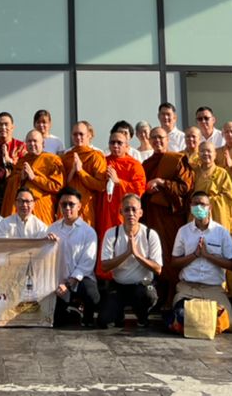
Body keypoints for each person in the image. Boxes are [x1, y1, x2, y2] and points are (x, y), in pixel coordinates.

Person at [169, 190, 232, 327]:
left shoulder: (221, 232)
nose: (199, 207)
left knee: (228, 324)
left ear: (210, 208)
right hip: (188, 288)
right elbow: (174, 262)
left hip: (213, 289)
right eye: (195, 204)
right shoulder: (183, 231)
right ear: (190, 207)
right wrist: (194, 255)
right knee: (181, 320)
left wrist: (207, 256)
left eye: (203, 204)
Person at [97, 194, 162, 328]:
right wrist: (127, 253)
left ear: (141, 212)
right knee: (104, 320)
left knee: (148, 295)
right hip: (119, 284)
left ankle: (142, 315)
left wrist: (137, 255)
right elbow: (104, 266)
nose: (130, 213)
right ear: (121, 212)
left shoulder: (150, 234)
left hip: (141, 286)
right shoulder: (112, 233)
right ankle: (118, 315)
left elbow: (158, 268)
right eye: (126, 210)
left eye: (134, 209)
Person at [140, 127, 191, 277]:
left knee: (172, 250)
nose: (157, 141)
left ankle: (175, 288)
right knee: (155, 250)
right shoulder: (146, 164)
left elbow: (185, 187)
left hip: (171, 215)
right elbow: (140, 187)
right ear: (149, 141)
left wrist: (162, 182)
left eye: (161, 137)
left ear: (168, 140)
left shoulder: (176, 160)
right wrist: (147, 190)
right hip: (153, 215)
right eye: (154, 138)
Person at [95, 129, 147, 272]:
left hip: (124, 212)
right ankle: (105, 275)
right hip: (105, 211)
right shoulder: (103, 162)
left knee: (123, 241)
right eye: (112, 142)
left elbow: (139, 189)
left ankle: (124, 273)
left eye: (119, 143)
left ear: (127, 146)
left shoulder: (134, 165)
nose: (116, 146)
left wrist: (119, 182)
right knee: (106, 240)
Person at [47, 187, 99, 326]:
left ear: (79, 206)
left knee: (92, 296)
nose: (67, 207)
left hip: (80, 280)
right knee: (58, 319)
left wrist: (69, 283)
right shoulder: (52, 229)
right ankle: (73, 310)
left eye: (71, 204)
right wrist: (47, 243)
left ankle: (87, 315)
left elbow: (87, 263)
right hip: (58, 280)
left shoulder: (88, 232)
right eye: (64, 204)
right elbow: (45, 258)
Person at [1, 129, 65, 224]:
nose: (32, 144)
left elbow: (57, 186)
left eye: (35, 141)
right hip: (21, 206)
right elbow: (10, 183)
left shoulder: (52, 160)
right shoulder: (22, 161)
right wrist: (20, 178)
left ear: (43, 144)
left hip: (41, 206)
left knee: (41, 235)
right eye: (29, 141)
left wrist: (34, 178)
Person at [62, 121, 108, 226]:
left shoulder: (96, 156)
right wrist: (73, 171)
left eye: (81, 134)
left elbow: (101, 185)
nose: (78, 137)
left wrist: (81, 172)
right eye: (75, 134)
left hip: (87, 204)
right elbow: (60, 185)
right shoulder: (66, 157)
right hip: (67, 205)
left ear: (89, 135)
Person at [0, 113, 27, 194]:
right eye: (0, 124)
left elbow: (25, 169)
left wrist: (10, 161)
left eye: (6, 124)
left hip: (15, 188)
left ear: (12, 127)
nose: (3, 127)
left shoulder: (21, 146)